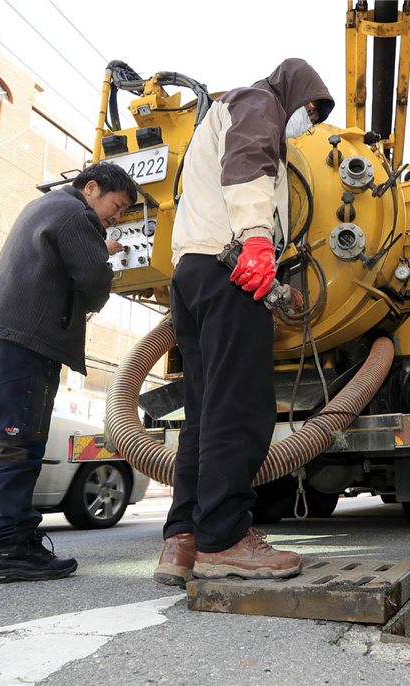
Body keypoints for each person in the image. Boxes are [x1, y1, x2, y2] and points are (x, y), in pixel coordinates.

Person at [153, 58, 334, 587]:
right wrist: (258, 235)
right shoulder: (259, 103)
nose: (307, 123)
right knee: (242, 407)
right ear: (294, 92)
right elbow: (249, 163)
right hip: (231, 268)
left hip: (192, 272)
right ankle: (225, 539)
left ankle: (183, 537)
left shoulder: (220, 115)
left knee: (206, 413)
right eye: (310, 110)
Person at [0, 162, 135, 583]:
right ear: (92, 187)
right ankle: (10, 549)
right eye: (116, 207)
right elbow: (94, 283)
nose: (115, 218)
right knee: (17, 444)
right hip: (26, 343)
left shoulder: (42, 206)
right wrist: (105, 255)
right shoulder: (76, 215)